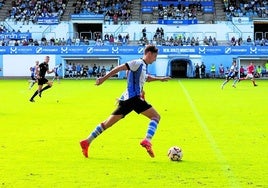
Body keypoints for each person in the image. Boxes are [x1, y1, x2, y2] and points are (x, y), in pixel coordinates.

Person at [79, 45, 171, 158]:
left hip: (127, 100)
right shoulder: (137, 63)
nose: (155, 59)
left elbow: (146, 78)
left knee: (106, 124)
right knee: (156, 117)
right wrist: (103, 78)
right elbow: (119, 68)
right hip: (134, 99)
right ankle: (147, 140)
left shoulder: (143, 66)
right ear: (149, 54)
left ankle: (86, 142)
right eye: (155, 56)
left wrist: (160, 79)